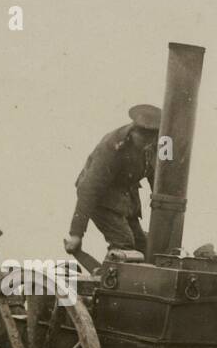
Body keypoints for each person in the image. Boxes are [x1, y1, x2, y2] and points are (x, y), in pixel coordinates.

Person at [64, 104, 159, 255]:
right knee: (124, 243)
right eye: (142, 137)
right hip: (101, 196)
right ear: (133, 130)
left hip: (127, 197)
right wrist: (76, 234)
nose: (145, 143)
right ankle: (112, 275)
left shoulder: (156, 145)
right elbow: (90, 188)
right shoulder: (113, 146)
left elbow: (157, 176)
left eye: (151, 138)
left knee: (144, 246)